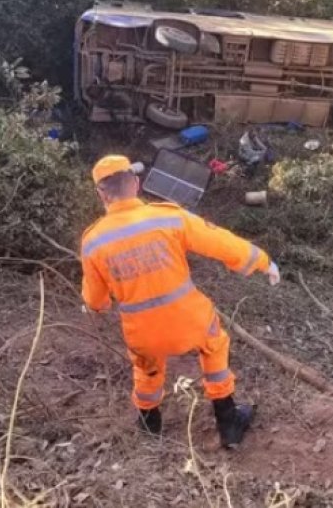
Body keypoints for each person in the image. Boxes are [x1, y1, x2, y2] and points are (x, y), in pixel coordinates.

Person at [79, 155, 280, 448]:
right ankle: (228, 422)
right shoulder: (169, 216)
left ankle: (150, 425)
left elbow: (96, 300)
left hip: (143, 334)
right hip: (190, 322)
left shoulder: (93, 241)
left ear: (101, 194)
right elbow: (221, 243)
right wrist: (263, 261)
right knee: (214, 345)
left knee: (146, 368)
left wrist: (92, 306)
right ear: (135, 184)